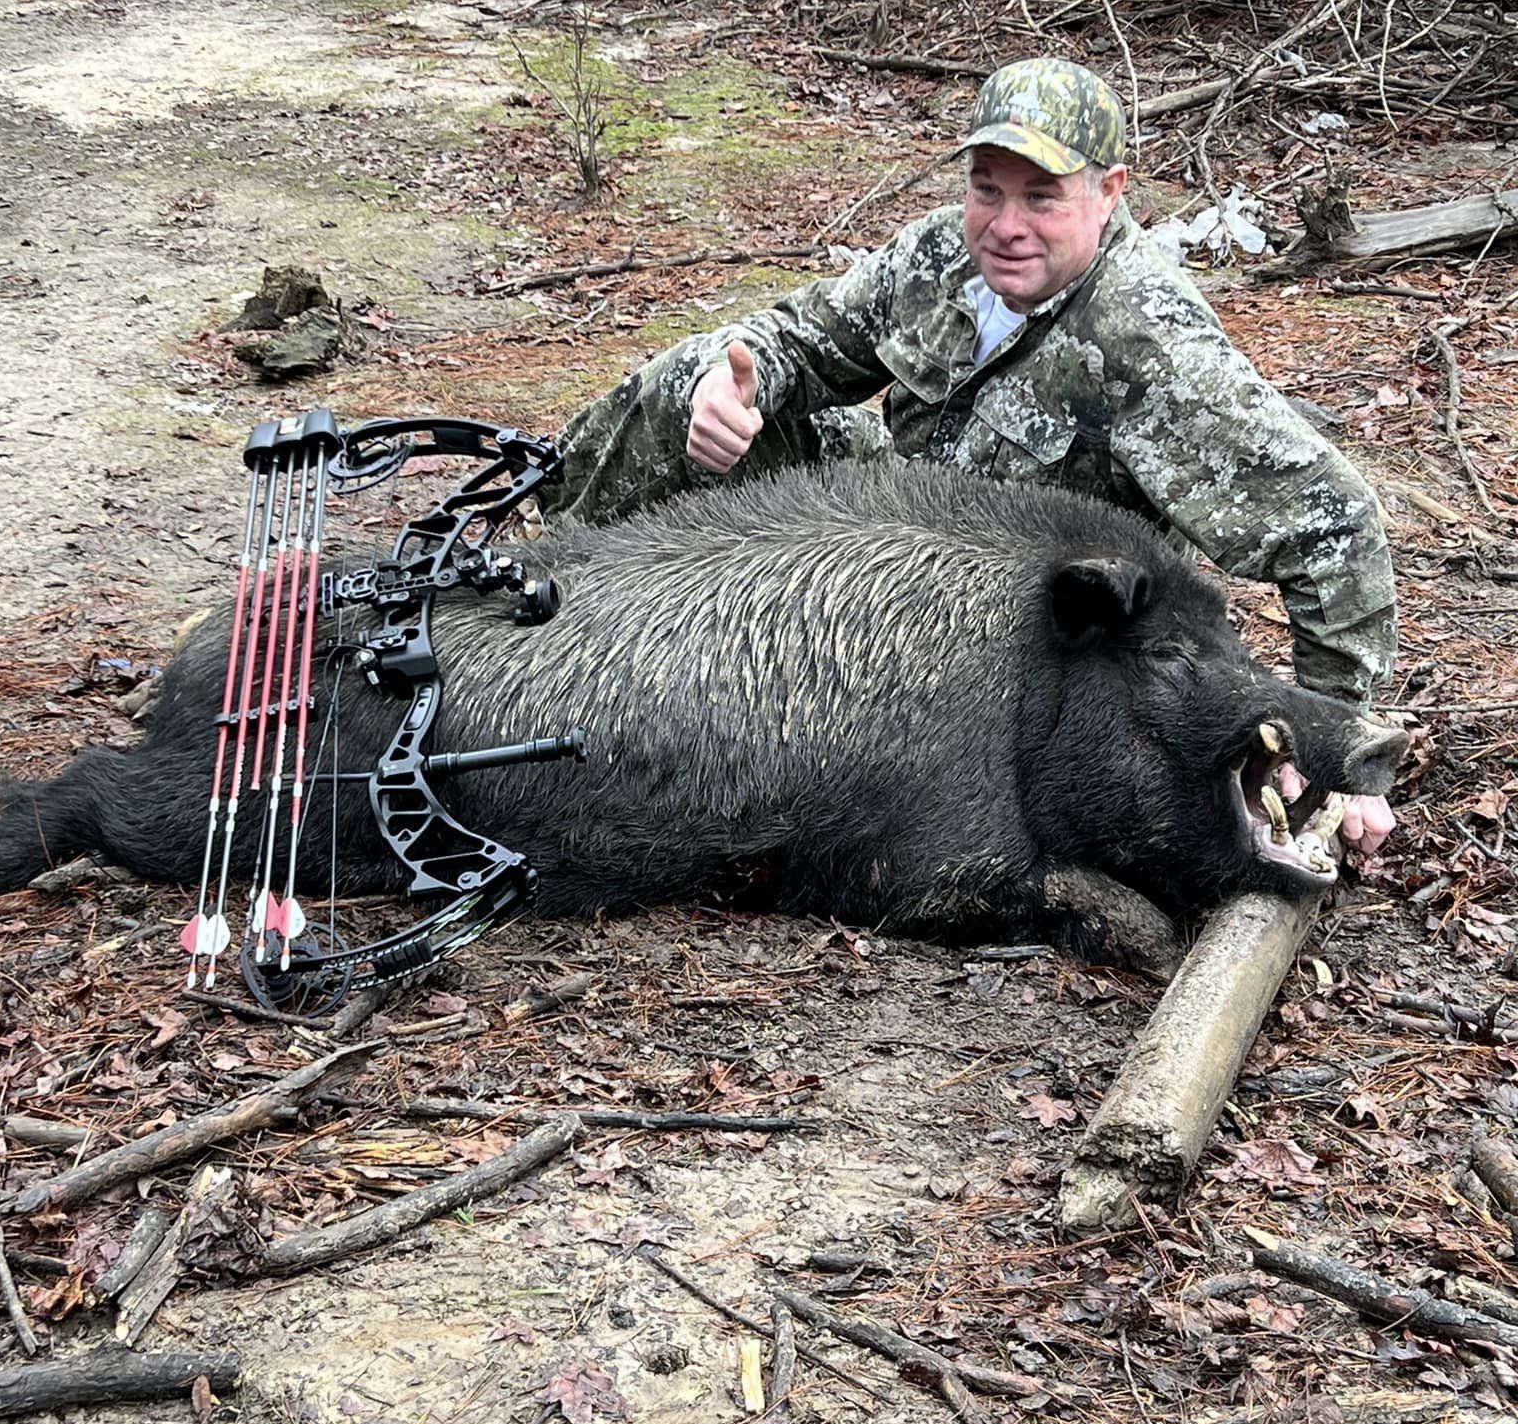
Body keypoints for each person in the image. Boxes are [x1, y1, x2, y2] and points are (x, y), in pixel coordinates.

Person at [551, 57, 1399, 852]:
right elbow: (803, 338)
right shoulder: (937, 256)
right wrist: (736, 382)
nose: (1006, 225)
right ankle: (553, 592)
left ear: (1109, 194)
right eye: (986, 190)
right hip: (884, 531)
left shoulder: (1153, 347)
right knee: (682, 380)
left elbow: (1332, 523)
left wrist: (1330, 750)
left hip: (1011, 657)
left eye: (1042, 197)